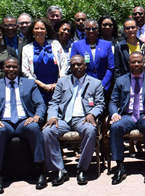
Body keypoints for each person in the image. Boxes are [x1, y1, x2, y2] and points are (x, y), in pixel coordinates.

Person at [0, 57, 47, 193]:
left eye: (14, 67)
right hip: (4, 122)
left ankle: (40, 172)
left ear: (18, 69)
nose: (11, 70)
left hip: (24, 121)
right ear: (3, 68)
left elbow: (40, 104)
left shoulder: (30, 83)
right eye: (8, 67)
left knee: (34, 128)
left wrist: (37, 116)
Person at [42, 55, 104, 186]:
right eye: (73, 65)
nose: (76, 67)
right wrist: (52, 117)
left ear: (85, 66)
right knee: (47, 132)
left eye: (79, 64)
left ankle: (82, 169)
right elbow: (54, 102)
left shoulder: (95, 83)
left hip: (83, 119)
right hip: (63, 119)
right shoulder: (62, 82)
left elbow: (100, 104)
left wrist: (92, 114)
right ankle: (59, 170)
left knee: (91, 130)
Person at [109, 52, 145, 184]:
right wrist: (114, 114)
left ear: (143, 62)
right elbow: (113, 101)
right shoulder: (121, 80)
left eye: (139, 62)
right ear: (129, 63)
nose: (136, 64)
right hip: (127, 116)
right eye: (133, 62)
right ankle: (120, 167)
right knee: (115, 127)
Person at [21, 18, 68, 104]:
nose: (39, 30)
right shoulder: (27, 48)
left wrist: (58, 83)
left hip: (57, 88)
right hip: (37, 89)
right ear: (32, 31)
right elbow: (25, 71)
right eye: (36, 28)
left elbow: (64, 64)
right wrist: (43, 85)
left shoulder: (55, 44)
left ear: (46, 31)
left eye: (42, 28)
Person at [70, 19, 115, 93]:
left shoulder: (106, 45)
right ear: (84, 30)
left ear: (98, 30)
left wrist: (103, 85)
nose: (91, 31)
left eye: (94, 29)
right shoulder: (77, 45)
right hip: (83, 87)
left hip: (103, 86)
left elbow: (111, 67)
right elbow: (74, 66)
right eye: (88, 29)